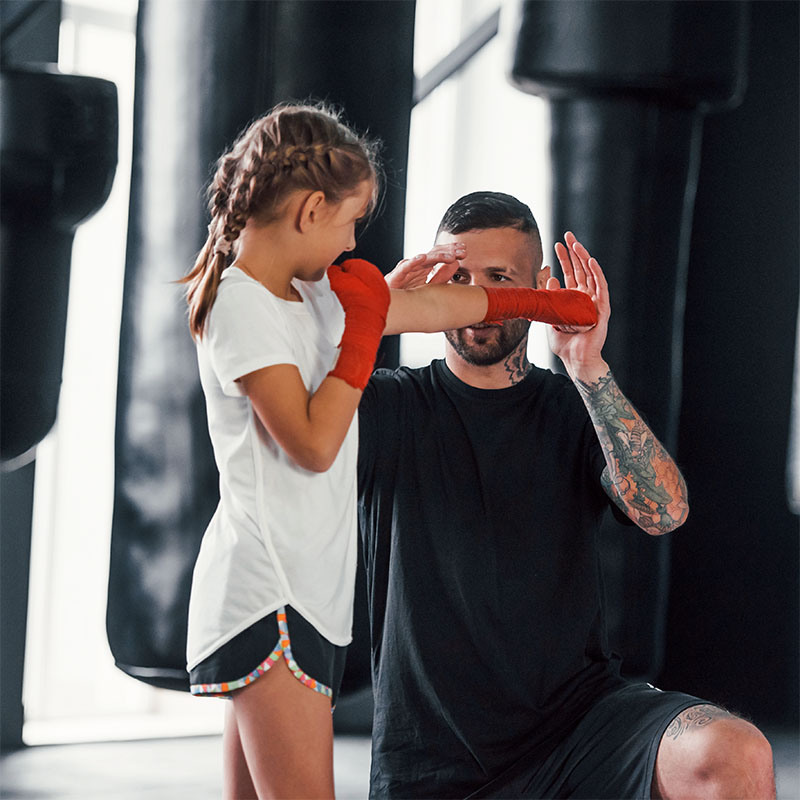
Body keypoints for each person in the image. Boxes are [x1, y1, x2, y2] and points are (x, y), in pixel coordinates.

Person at [180, 107, 595, 800]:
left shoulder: (308, 296)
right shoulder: (242, 305)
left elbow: (438, 311)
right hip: (269, 596)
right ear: (312, 210)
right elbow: (313, 444)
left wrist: (549, 307)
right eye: (351, 221)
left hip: (295, 593)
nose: (352, 241)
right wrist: (364, 336)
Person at [357, 191, 775, 798]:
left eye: (500, 279)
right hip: (433, 760)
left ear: (539, 288)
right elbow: (281, 427)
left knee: (735, 751)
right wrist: (373, 316)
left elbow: (665, 512)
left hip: (580, 730)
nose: (480, 298)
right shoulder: (387, 403)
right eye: (461, 278)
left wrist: (588, 367)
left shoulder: (573, 407)